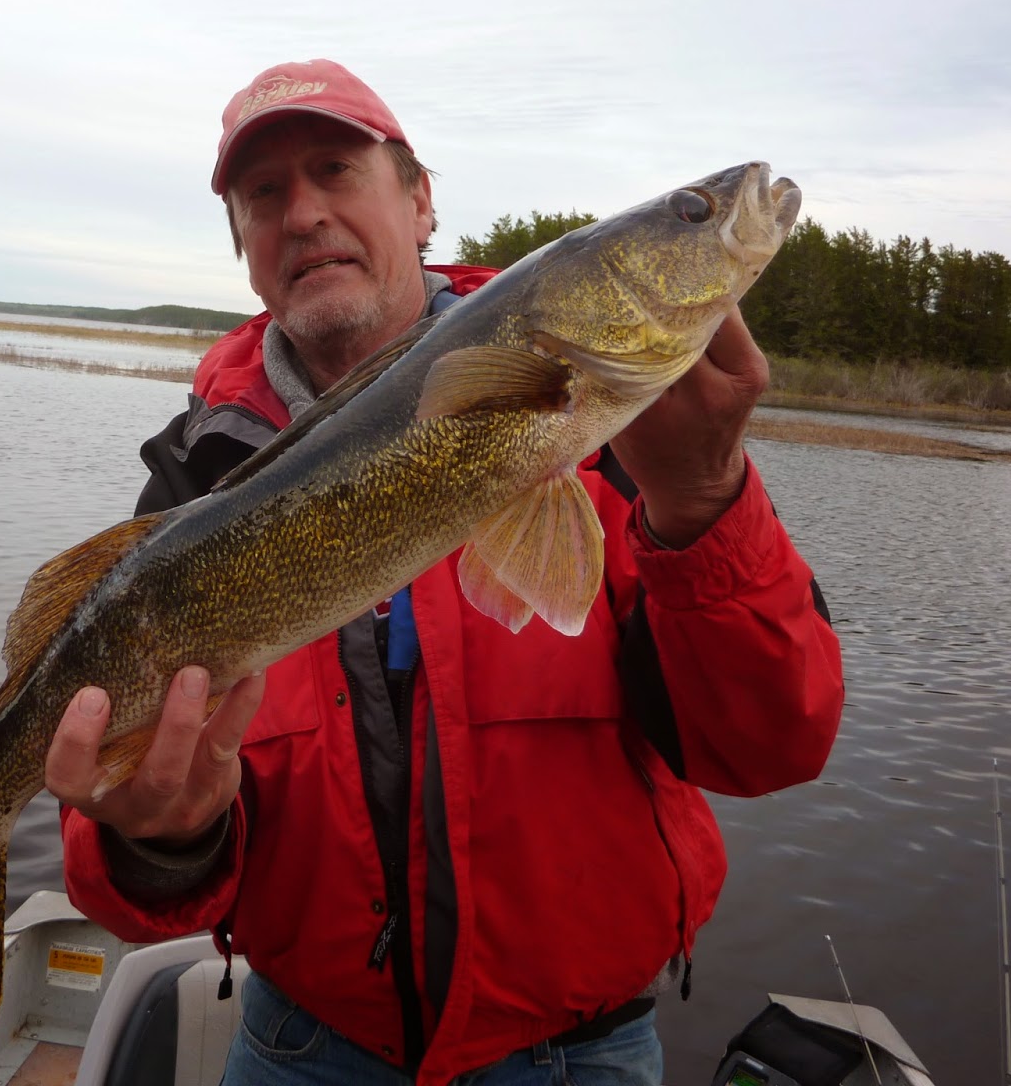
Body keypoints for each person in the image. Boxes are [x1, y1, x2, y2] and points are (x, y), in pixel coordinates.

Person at [45, 59, 843, 1086]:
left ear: (421, 201)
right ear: (244, 248)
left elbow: (769, 748)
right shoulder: (193, 484)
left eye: (337, 169)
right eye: (264, 194)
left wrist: (701, 499)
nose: (303, 214)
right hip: (299, 1046)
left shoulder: (639, 446)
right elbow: (124, 862)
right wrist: (162, 841)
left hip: (577, 1056)